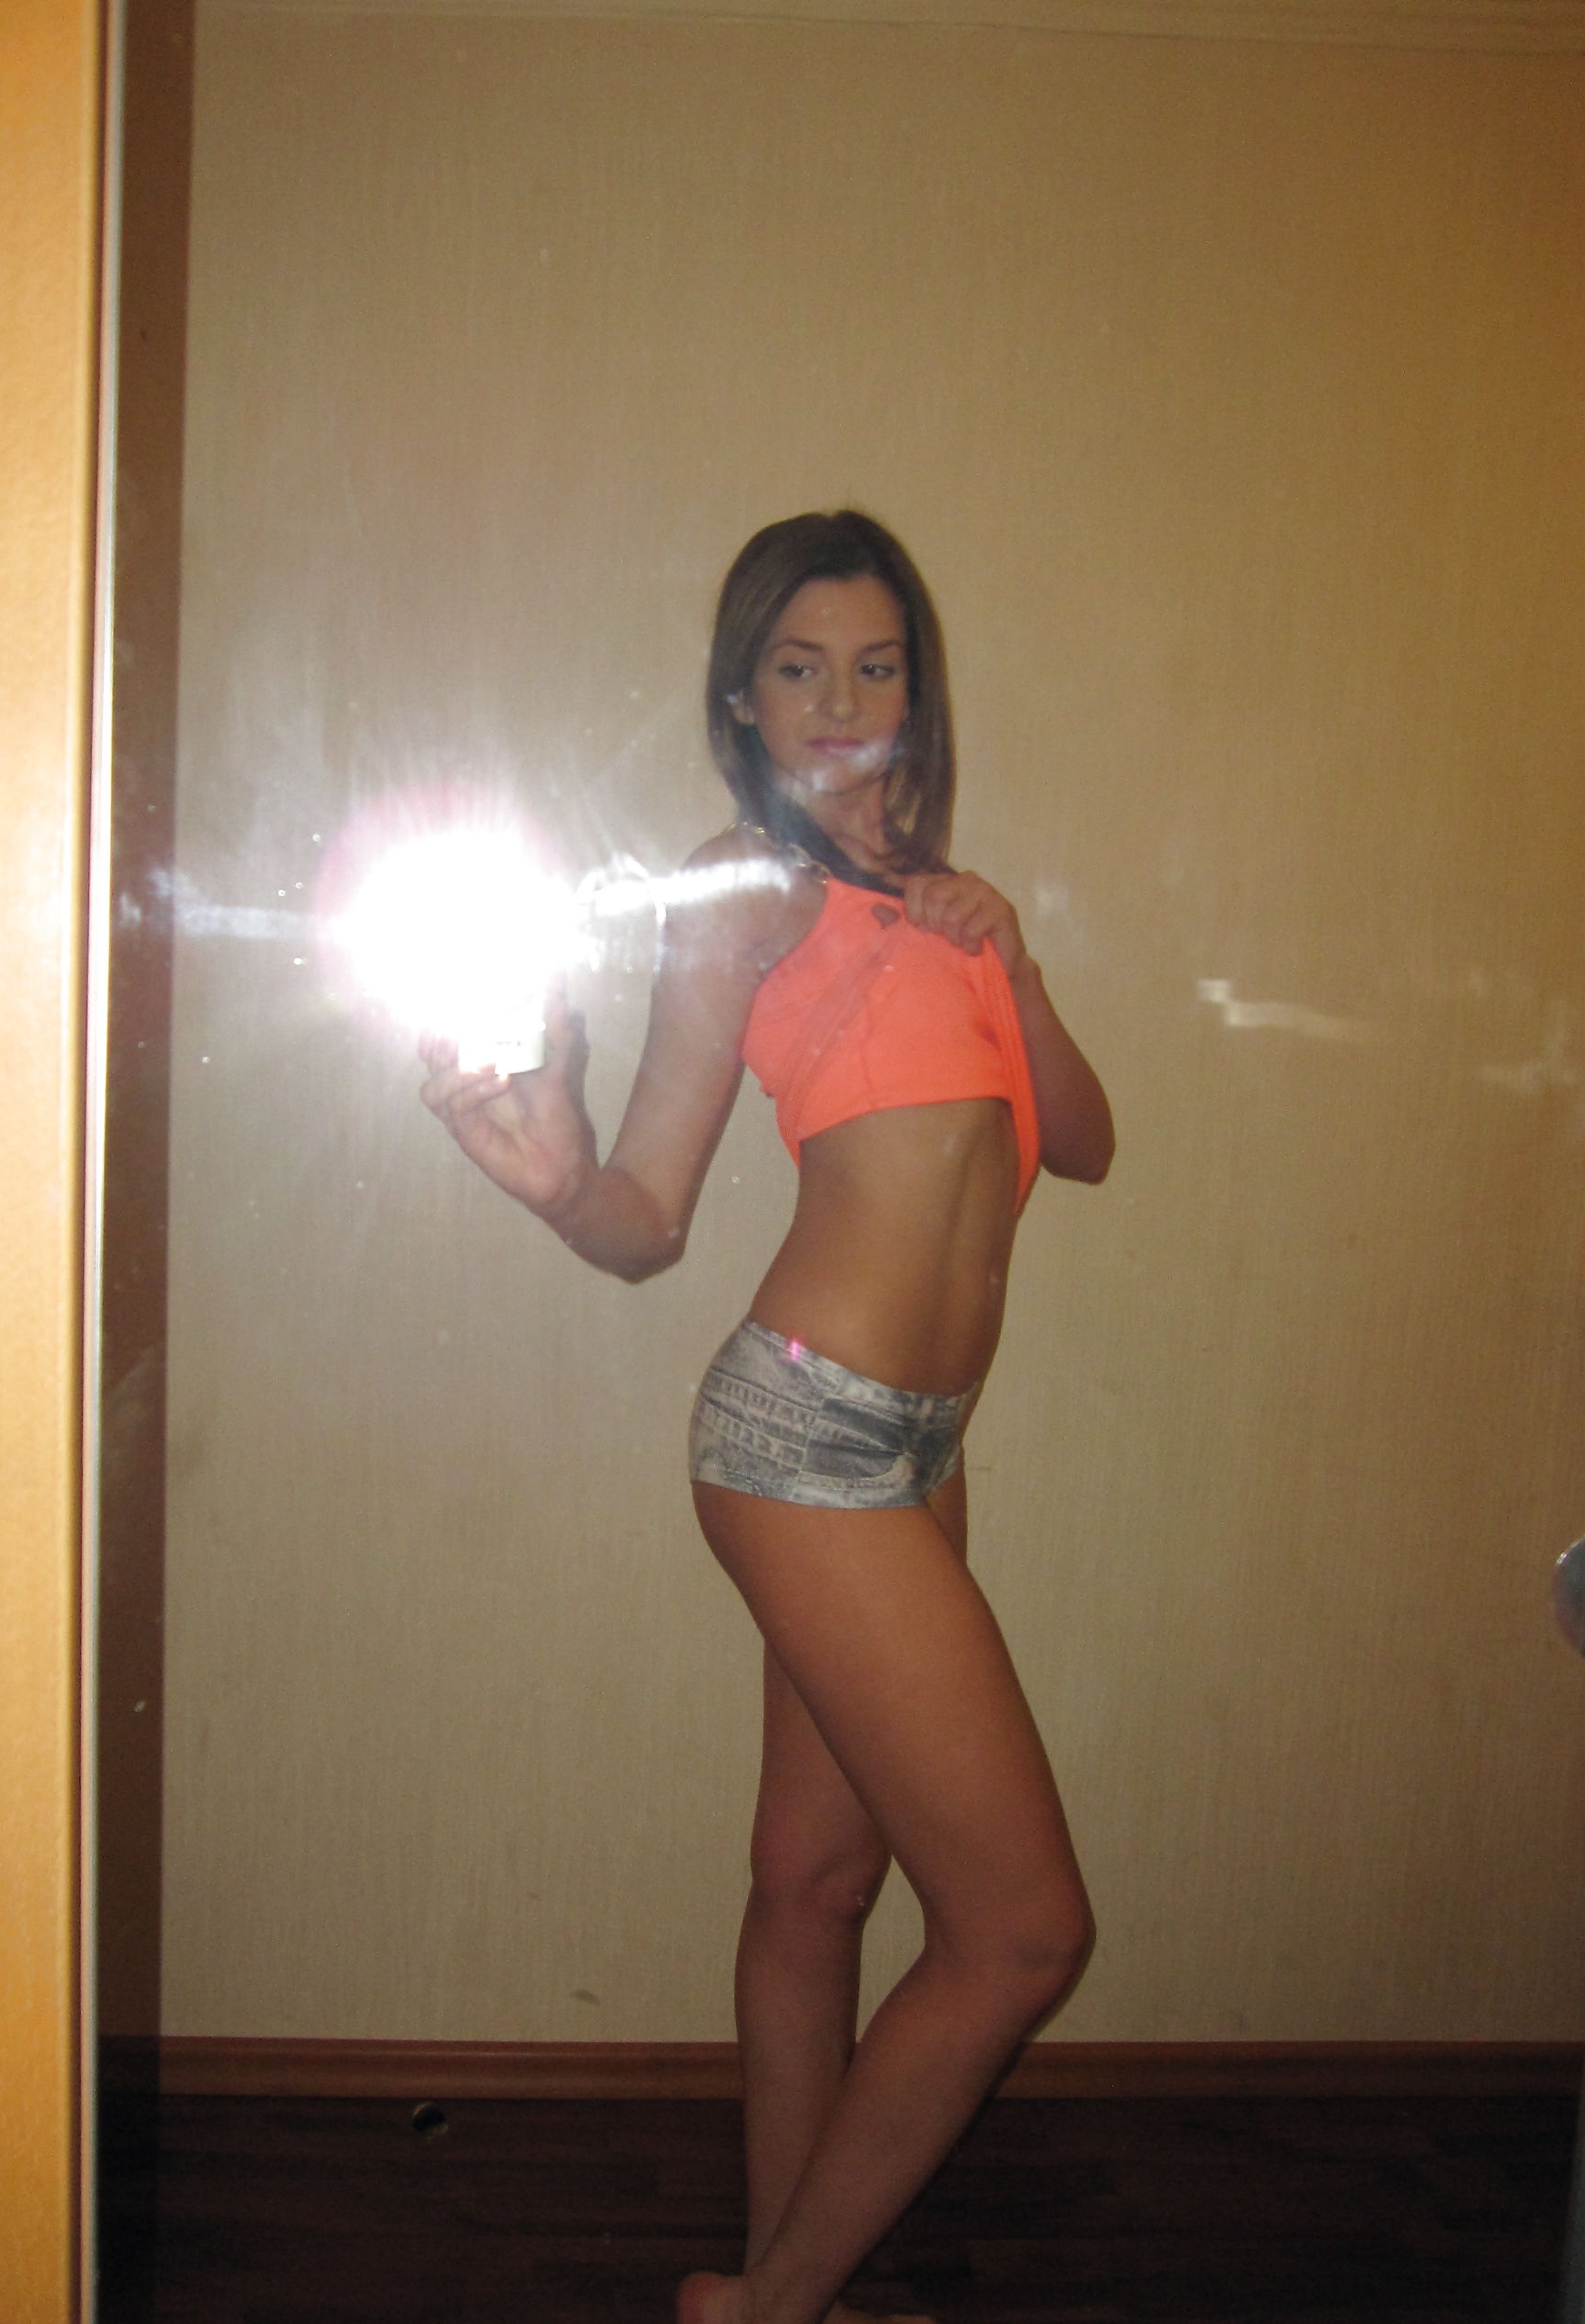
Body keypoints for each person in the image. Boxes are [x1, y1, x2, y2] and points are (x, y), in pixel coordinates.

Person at [421, 510, 1115, 2324]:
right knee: (1024, 1930)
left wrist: (1013, 955)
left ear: (916, 692)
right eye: (799, 668)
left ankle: (777, 2272)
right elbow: (647, 1210)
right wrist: (560, 1184)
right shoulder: (746, 885)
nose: (840, 701)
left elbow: (1087, 1140)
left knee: (814, 1883)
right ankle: (772, 2301)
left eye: (875, 665)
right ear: (742, 697)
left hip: (915, 1455)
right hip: (804, 1433)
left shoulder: (948, 909)